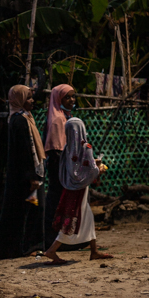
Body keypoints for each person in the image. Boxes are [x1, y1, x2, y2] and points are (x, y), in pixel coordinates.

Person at [0, 85, 46, 259]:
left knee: (28, 210)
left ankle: (18, 246)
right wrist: (31, 177)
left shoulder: (24, 118)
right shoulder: (19, 121)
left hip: (29, 176)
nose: (32, 101)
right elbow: (24, 151)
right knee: (33, 209)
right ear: (19, 100)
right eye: (28, 98)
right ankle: (28, 246)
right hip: (27, 179)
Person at [44, 117, 113, 264]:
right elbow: (90, 169)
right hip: (80, 190)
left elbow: (75, 169)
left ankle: (94, 251)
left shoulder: (67, 148)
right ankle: (51, 250)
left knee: (87, 217)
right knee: (72, 219)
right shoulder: (85, 147)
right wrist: (99, 169)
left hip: (70, 187)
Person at [42, 84, 87, 251]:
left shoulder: (65, 117)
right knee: (58, 203)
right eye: (67, 97)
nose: (72, 100)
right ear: (59, 99)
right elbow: (56, 148)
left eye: (73, 96)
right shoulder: (57, 120)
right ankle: (54, 242)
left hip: (64, 167)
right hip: (59, 170)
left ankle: (64, 241)